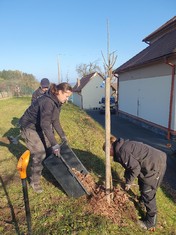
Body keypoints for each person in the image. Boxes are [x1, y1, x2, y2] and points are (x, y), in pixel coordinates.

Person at [102, 136, 166, 231]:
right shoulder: (121, 147)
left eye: (107, 153)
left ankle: (150, 222)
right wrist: (126, 177)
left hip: (155, 164)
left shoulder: (122, 152)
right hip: (155, 159)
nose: (108, 156)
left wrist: (128, 182)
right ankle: (142, 201)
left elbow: (135, 168)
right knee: (142, 181)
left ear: (110, 148)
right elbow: (130, 166)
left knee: (148, 191)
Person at [19, 82, 73, 193]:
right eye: (66, 96)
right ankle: (35, 182)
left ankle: (56, 175)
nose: (67, 99)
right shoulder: (47, 102)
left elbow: (55, 120)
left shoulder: (57, 102)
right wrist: (55, 144)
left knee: (50, 151)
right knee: (40, 153)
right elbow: (45, 124)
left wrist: (62, 136)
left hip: (40, 126)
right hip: (29, 127)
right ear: (59, 92)